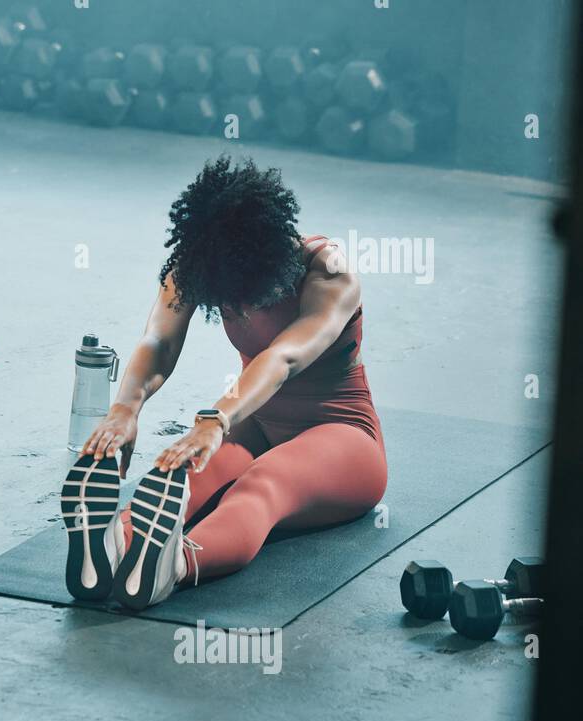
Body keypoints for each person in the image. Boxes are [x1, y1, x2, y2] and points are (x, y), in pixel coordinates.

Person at [62, 156, 387, 610]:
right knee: (180, 475)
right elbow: (159, 339)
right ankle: (117, 544)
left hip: (343, 437)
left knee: (261, 484)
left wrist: (215, 420)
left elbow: (283, 357)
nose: (237, 304)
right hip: (254, 421)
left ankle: (173, 567)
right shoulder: (201, 262)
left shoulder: (328, 271)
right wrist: (125, 409)